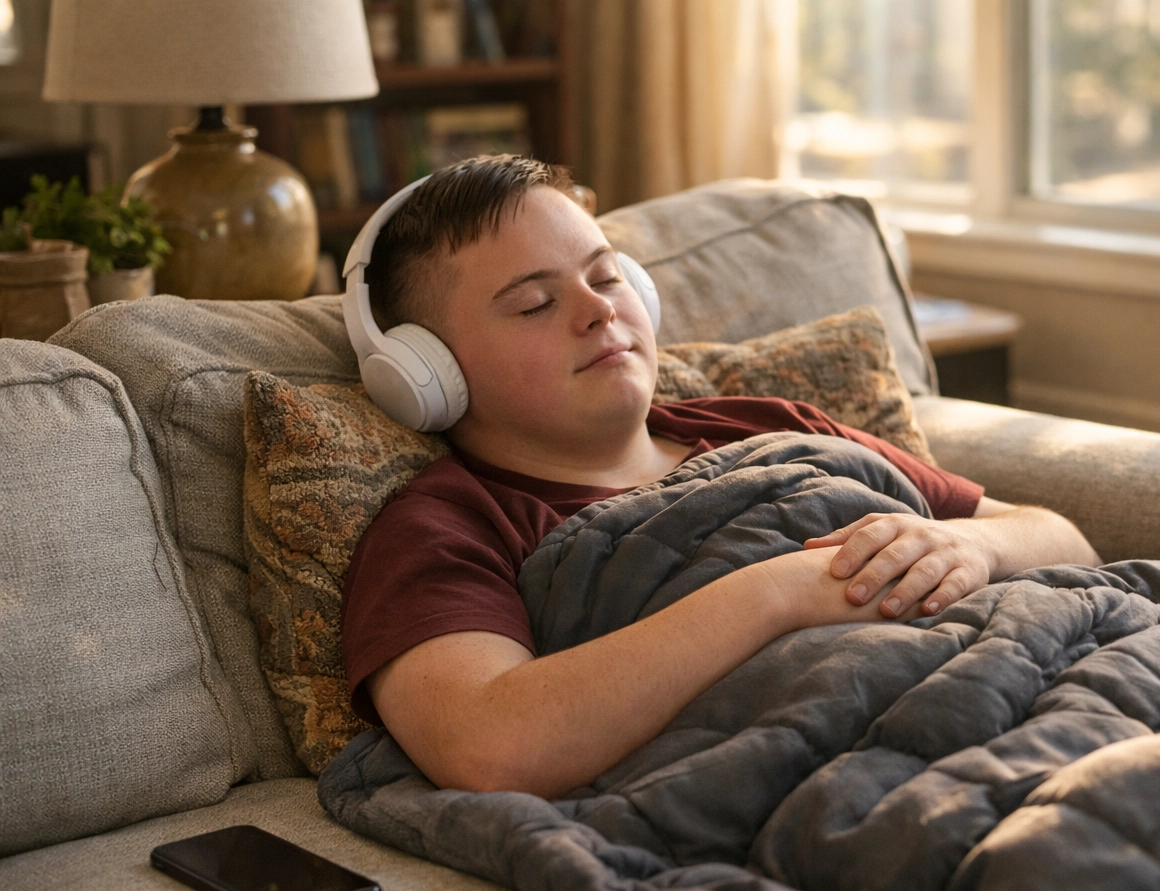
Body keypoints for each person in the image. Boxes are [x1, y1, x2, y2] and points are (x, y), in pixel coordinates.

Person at [341, 155, 1101, 799]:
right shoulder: (445, 527)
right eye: (535, 304)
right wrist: (779, 591)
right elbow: (488, 743)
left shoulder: (769, 424)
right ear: (427, 373)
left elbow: (1065, 541)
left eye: (606, 278)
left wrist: (970, 549)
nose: (598, 312)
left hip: (1063, 690)